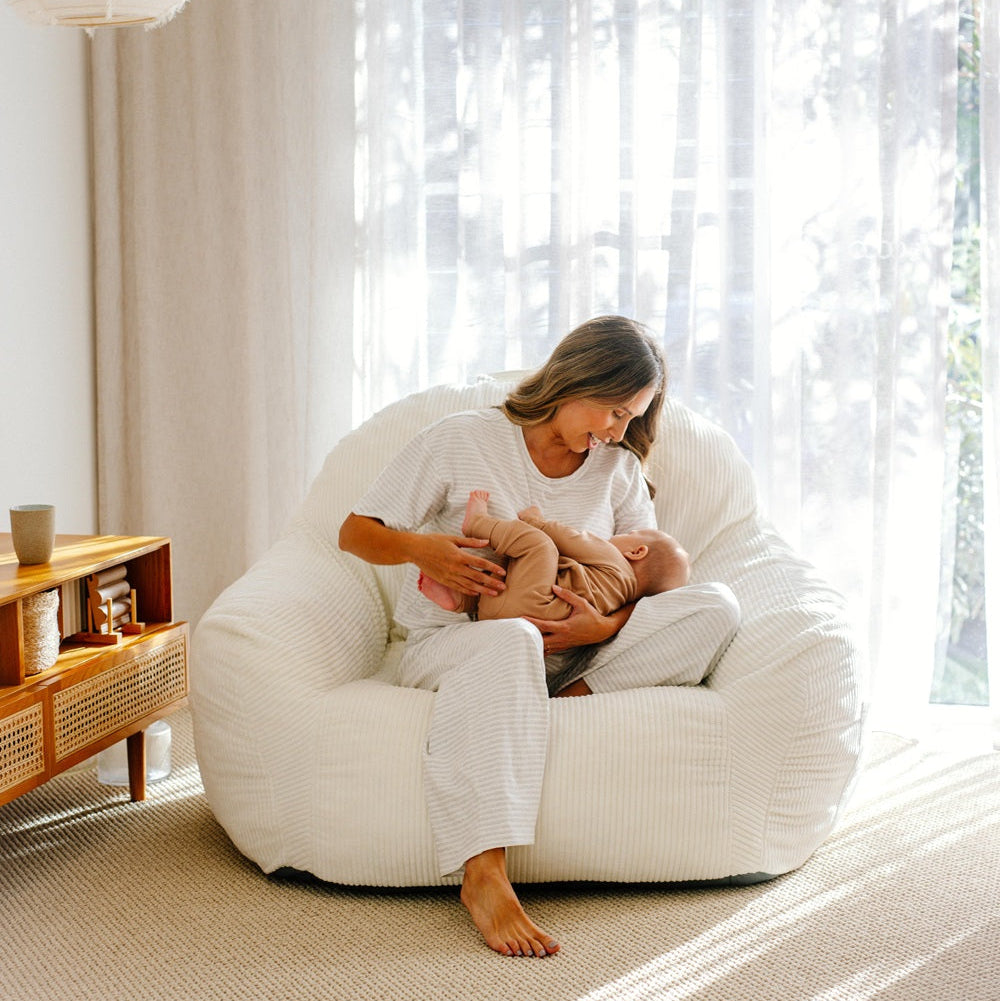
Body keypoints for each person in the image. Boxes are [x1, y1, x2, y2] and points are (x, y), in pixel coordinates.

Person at [339, 315, 740, 959]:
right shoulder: (462, 438)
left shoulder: (617, 470)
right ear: (577, 378)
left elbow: (643, 576)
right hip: (461, 646)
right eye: (612, 412)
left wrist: (600, 625)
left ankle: (566, 695)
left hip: (575, 653)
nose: (617, 432)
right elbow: (355, 532)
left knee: (714, 605)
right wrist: (427, 551)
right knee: (509, 642)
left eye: (631, 419)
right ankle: (484, 871)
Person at [418, 490, 691, 635]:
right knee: (512, 573)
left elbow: (571, 539)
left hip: (531, 602)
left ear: (636, 551)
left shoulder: (612, 559)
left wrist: (537, 521)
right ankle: (463, 602)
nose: (618, 535)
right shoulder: (614, 605)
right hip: (527, 624)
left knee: (539, 546)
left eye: (630, 534)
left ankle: (477, 523)